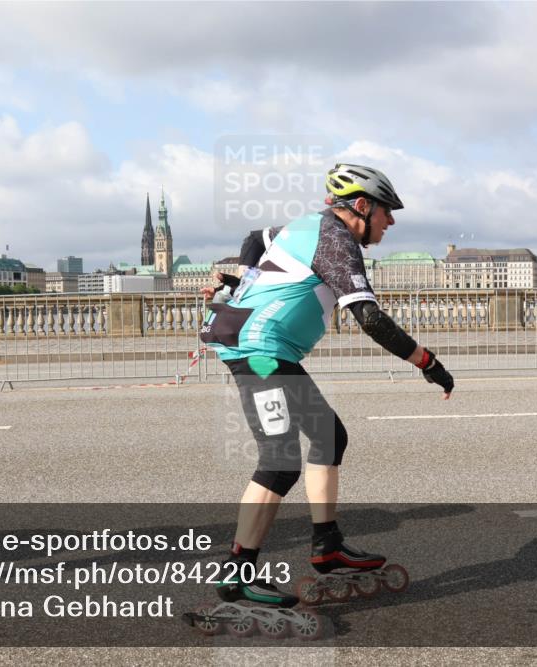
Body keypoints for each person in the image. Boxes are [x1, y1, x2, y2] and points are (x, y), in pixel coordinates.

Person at [200, 163, 454, 607]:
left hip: (260, 345)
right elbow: (371, 320)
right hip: (258, 351)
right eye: (386, 212)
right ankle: (237, 577)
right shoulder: (338, 242)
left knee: (327, 434)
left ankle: (327, 546)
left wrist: (243, 277)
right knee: (279, 462)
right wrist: (427, 362)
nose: (390, 222)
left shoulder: (306, 226)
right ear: (361, 206)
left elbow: (256, 237)